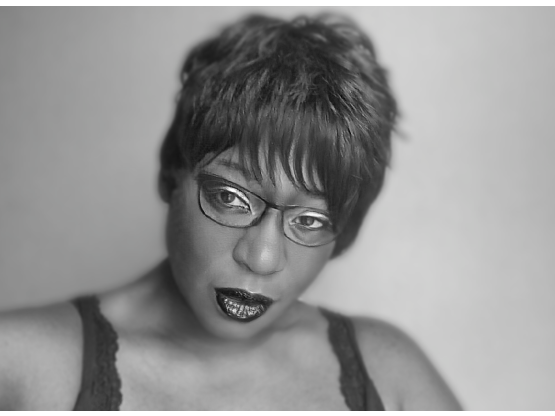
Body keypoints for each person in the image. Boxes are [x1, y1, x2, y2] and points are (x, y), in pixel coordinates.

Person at [0, 13, 462, 410]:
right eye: (231, 198)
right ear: (171, 174)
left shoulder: (391, 376)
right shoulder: (24, 364)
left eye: (310, 221)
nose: (261, 258)